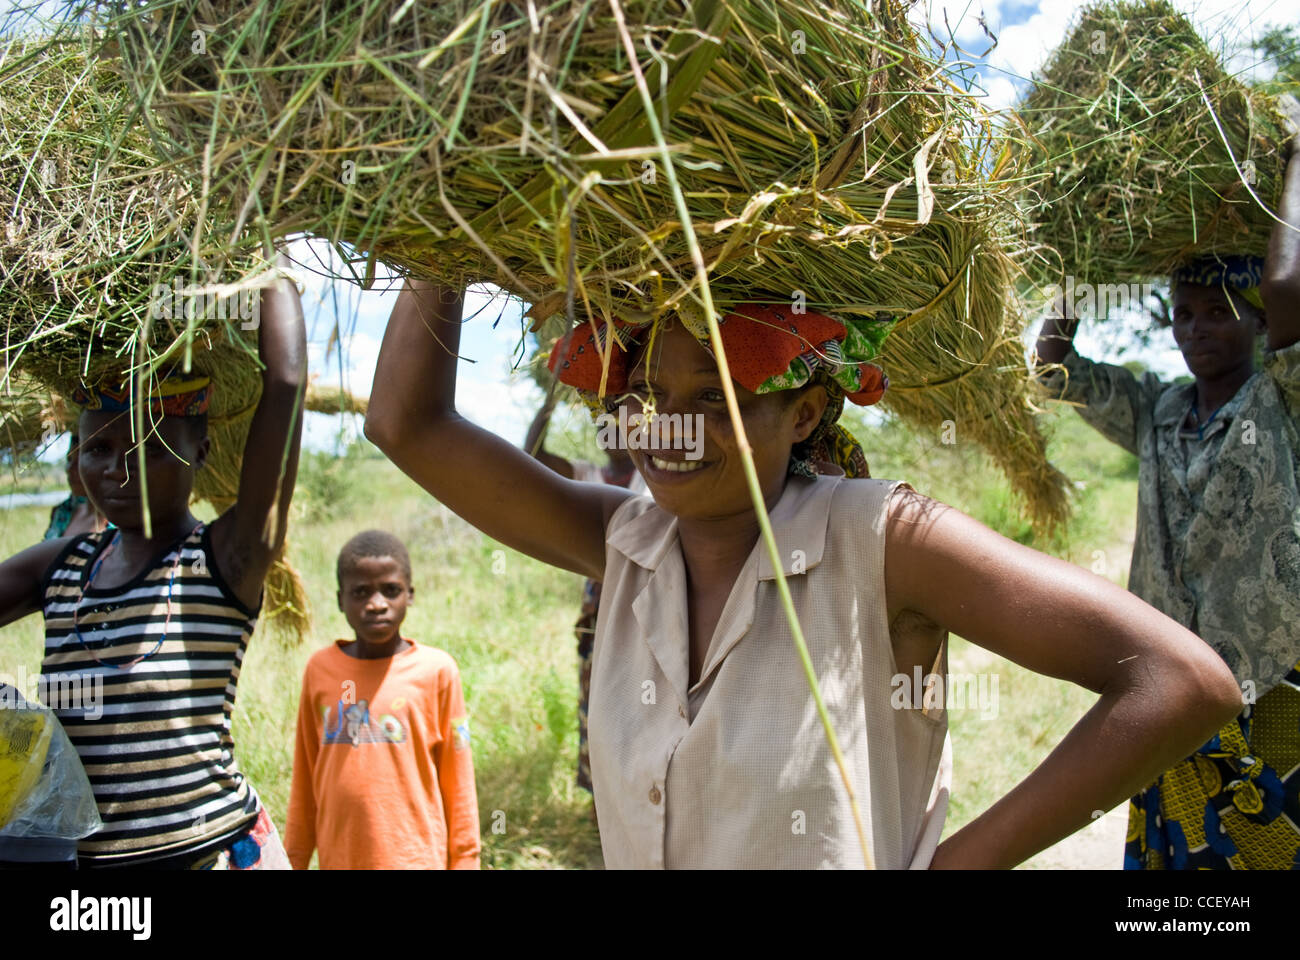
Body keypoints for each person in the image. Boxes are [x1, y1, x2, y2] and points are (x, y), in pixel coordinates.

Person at [366, 281, 1242, 869]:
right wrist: (444, 239)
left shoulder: (879, 536)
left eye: (716, 399)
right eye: (648, 398)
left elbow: (1180, 682)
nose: (668, 431)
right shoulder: (622, 542)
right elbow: (405, 424)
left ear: (806, 411)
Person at [1035, 128, 1300, 870]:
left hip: (1277, 681)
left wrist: (1297, 157)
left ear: (1254, 320)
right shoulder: (1156, 408)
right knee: (1177, 869)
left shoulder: (1283, 399)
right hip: (1171, 678)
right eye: (1183, 314)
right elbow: (1053, 369)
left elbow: (1287, 289)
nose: (1195, 330)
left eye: (1217, 311)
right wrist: (1077, 264)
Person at [0, 272, 307, 869]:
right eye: (99, 450)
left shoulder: (224, 558)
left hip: (210, 854)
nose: (119, 470)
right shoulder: (61, 568)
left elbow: (286, 388)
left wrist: (270, 278)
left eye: (150, 446)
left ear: (201, 451)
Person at [284, 529, 480, 870]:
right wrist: (293, 861)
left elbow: (458, 781)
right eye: (361, 592)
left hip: (416, 861)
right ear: (340, 599)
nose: (377, 604)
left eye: (391, 591)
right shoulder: (321, 670)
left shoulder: (437, 672)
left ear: (410, 594)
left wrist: (466, 860)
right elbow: (305, 777)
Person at [524, 395, 644, 798]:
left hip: (650, 607)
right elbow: (533, 456)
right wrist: (550, 397)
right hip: (600, 616)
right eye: (603, 426)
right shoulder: (584, 477)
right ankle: (604, 804)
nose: (611, 433)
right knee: (600, 704)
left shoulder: (659, 474)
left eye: (620, 424)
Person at [42, 433, 107, 541]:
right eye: (69, 459)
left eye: (80, 461)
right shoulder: (62, 512)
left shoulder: (119, 522)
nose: (70, 468)